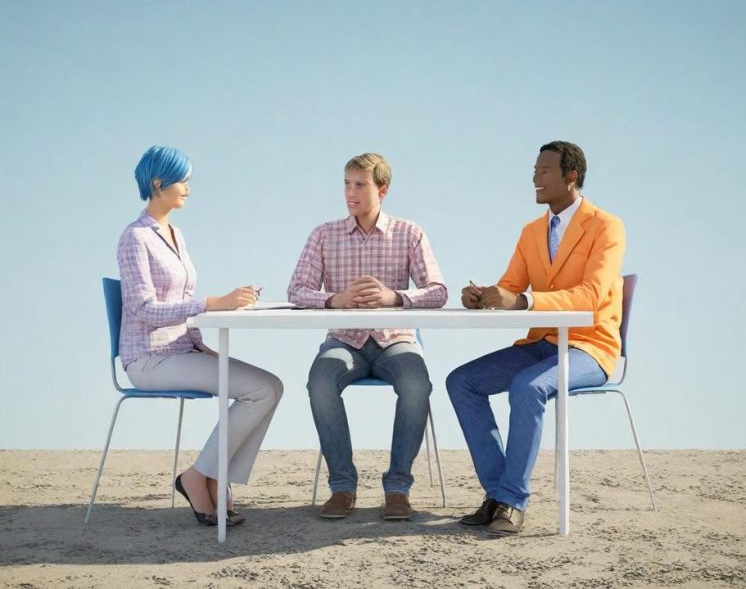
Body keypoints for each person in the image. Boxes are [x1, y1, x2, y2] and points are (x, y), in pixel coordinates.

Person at [447, 141, 625, 536]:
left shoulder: (606, 227)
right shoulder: (531, 232)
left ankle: (512, 501)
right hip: (543, 343)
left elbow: (591, 296)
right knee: (462, 382)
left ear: (571, 176)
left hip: (591, 346)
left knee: (528, 388)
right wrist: (483, 296)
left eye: (544, 171)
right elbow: (511, 285)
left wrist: (524, 300)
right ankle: (497, 495)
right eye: (534, 170)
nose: (534, 178)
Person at [117, 145, 283, 527]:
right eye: (183, 180)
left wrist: (200, 340)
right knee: (261, 390)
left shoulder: (175, 233)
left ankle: (209, 475)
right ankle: (200, 478)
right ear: (158, 183)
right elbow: (144, 309)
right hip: (149, 359)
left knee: (269, 386)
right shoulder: (134, 238)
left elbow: (178, 303)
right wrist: (212, 302)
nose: (189, 187)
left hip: (179, 350)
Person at [288, 153, 448, 520]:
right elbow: (297, 290)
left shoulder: (410, 233)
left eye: (360, 184)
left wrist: (396, 297)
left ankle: (397, 489)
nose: (351, 192)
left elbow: (438, 291)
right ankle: (342, 487)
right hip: (344, 341)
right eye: (346, 183)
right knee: (320, 381)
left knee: (416, 384)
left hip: (395, 341)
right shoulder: (323, 235)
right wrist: (335, 300)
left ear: (382, 189)